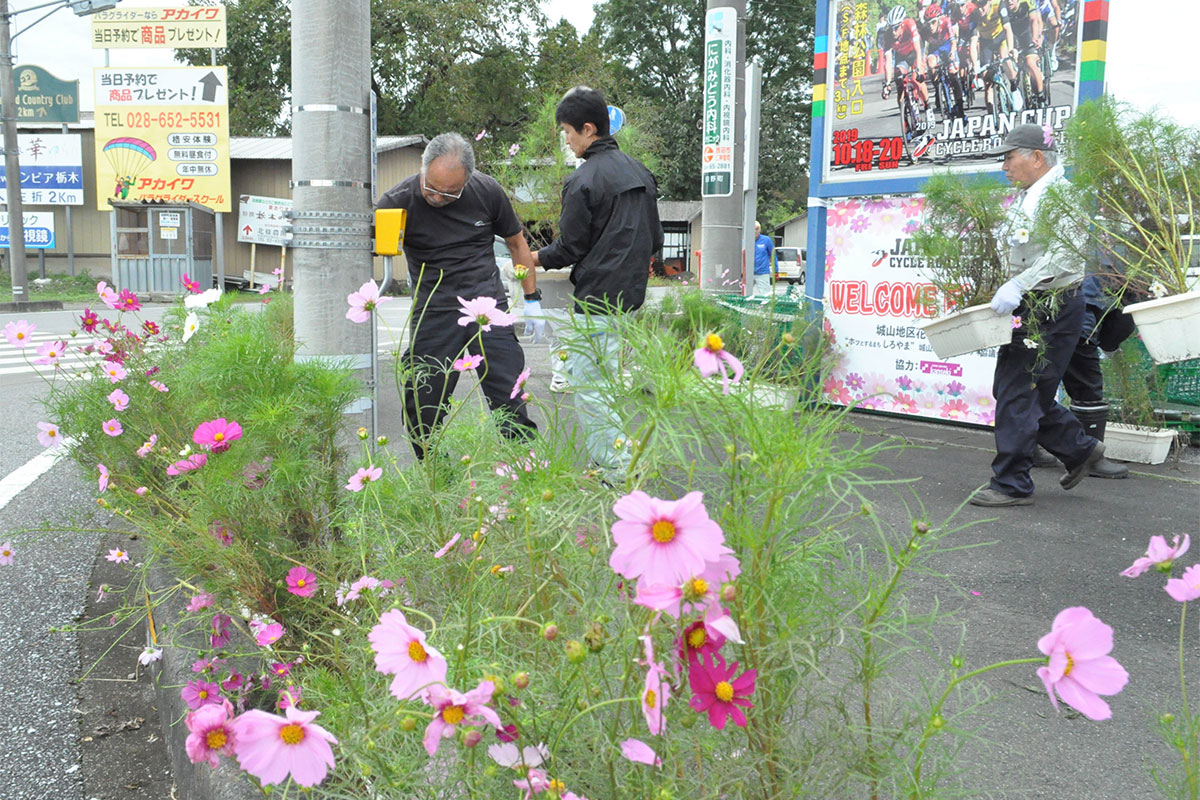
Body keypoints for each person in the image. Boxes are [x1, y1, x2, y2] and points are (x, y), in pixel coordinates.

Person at [376, 132, 538, 459]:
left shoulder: (487, 191)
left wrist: (532, 298)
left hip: (487, 306)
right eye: (431, 187)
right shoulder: (397, 201)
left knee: (510, 400)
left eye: (450, 193)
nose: (437, 197)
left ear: (468, 178)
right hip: (434, 311)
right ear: (422, 168)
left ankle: (525, 477)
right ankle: (440, 483)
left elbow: (517, 243)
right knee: (423, 408)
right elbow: (372, 248)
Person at [530, 86, 664, 483]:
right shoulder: (641, 173)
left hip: (596, 301)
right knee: (605, 386)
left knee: (591, 390)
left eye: (568, 133)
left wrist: (532, 259)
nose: (566, 141)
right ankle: (619, 459)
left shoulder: (583, 180)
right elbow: (655, 240)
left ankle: (616, 469)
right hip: (630, 299)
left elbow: (570, 247)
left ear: (588, 129)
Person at [970, 123, 1106, 507]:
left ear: (1037, 157)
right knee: (1018, 389)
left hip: (1054, 303)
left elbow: (1063, 254)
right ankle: (1079, 449)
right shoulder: (1031, 197)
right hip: (1033, 303)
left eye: (1009, 157)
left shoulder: (1063, 196)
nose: (1005, 166)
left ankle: (1012, 483)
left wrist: (1019, 285)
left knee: (1021, 391)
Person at [1032, 272, 1134, 478]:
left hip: (1045, 312)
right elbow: (1122, 321)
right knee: (1088, 388)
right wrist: (1108, 343)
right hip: (1080, 321)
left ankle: (1026, 446)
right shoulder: (1121, 268)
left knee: (1033, 383)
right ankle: (1089, 456)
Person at [751, 221, 775, 297]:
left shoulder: (766, 240)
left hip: (762, 272)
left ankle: (766, 308)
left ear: (760, 230)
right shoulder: (744, 240)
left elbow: (773, 254)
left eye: (757, 229)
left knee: (765, 295)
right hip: (748, 273)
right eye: (753, 229)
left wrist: (776, 269)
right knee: (744, 294)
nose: (755, 231)